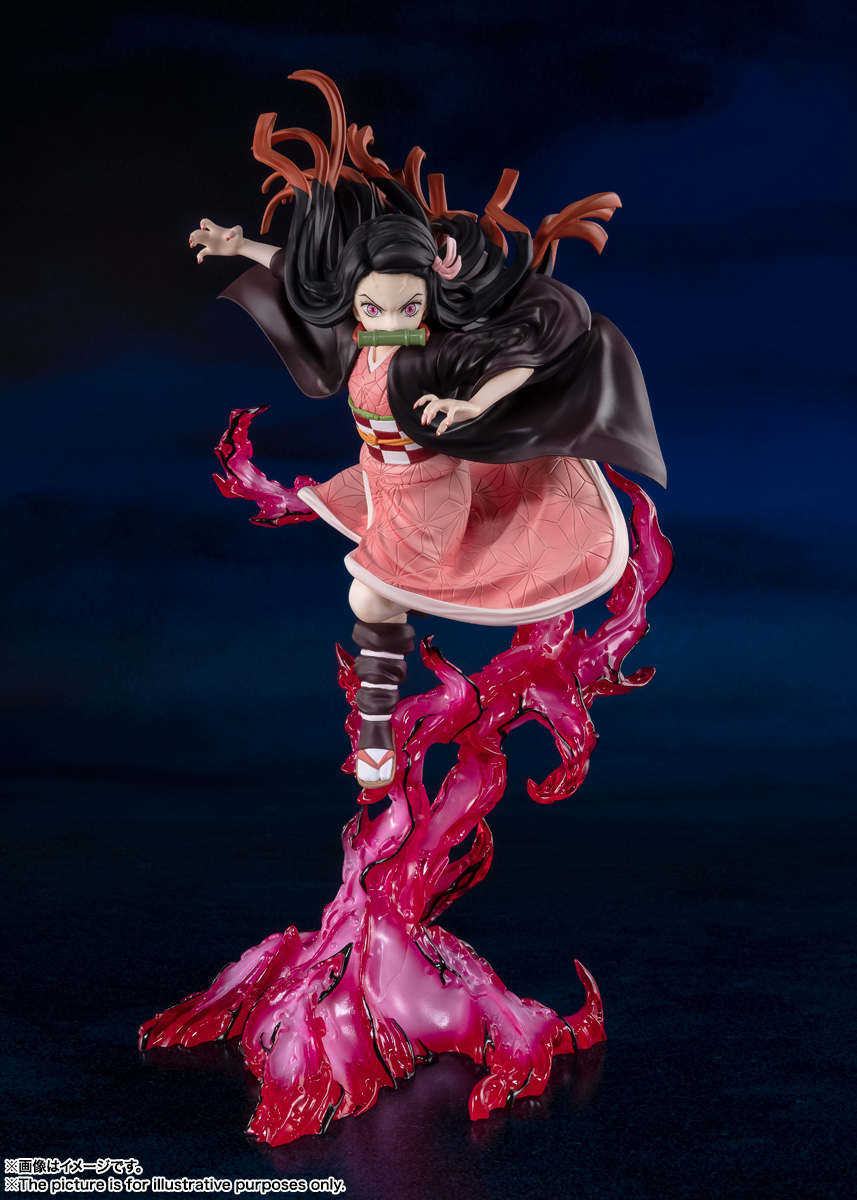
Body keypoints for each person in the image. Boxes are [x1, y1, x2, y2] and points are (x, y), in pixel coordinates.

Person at [190, 70, 666, 788]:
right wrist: (242, 247)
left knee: (371, 594)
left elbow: (522, 355)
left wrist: (474, 406)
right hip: (376, 479)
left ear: (427, 300)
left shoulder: (436, 352)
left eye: (406, 308)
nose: (388, 321)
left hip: (430, 491)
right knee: (372, 596)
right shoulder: (353, 334)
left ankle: (376, 733)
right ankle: (377, 727)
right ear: (353, 301)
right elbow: (298, 276)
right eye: (372, 308)